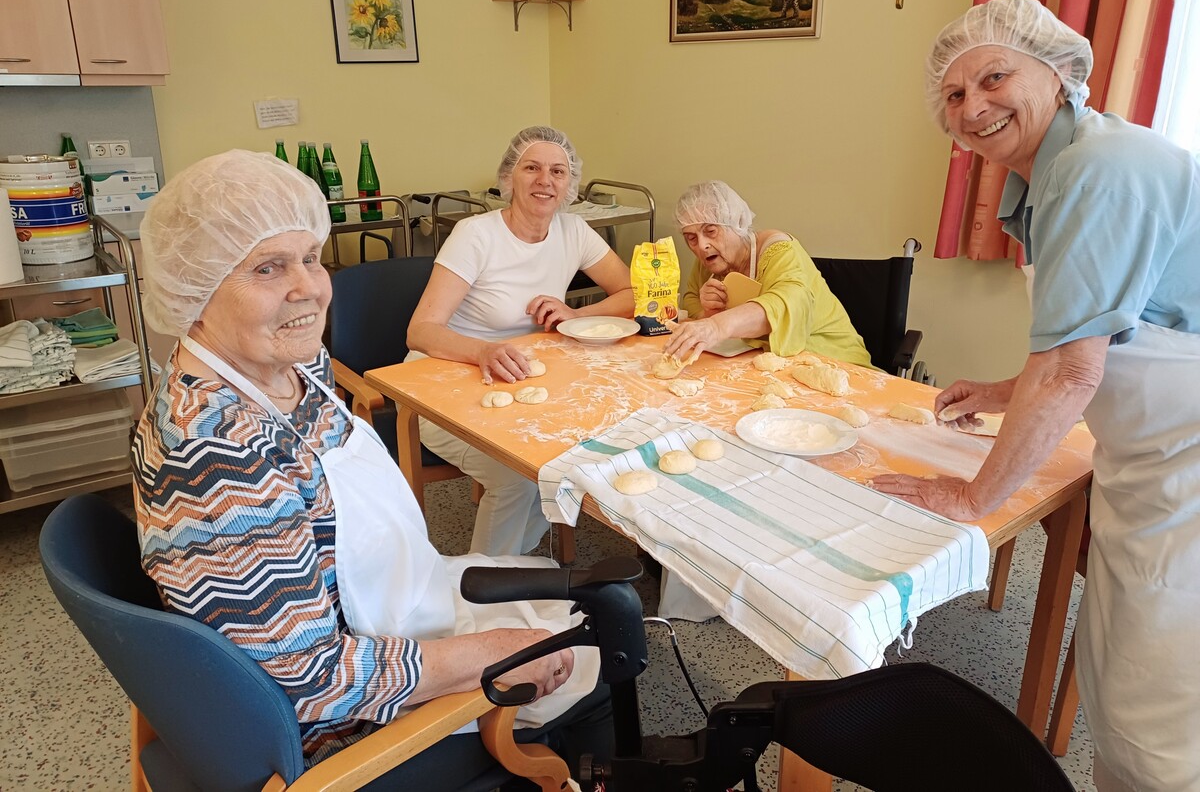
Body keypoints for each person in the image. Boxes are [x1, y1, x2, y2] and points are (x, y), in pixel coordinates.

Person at [133, 149, 612, 788]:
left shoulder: (284, 368)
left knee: (576, 595)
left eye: (309, 257)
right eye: (268, 267)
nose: (309, 287)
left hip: (387, 603)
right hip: (352, 718)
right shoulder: (217, 457)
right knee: (591, 649)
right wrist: (490, 657)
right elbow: (309, 683)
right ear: (195, 288)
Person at [871, 0, 1200, 792]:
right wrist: (1003, 390)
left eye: (993, 77)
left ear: (1056, 73)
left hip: (1185, 456)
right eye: (953, 96)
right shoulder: (1057, 169)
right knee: (1121, 645)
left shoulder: (1096, 170)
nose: (973, 106)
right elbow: (1111, 331)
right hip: (1154, 446)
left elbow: (1074, 371)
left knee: (1160, 686)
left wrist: (975, 495)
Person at [407, 126, 634, 556]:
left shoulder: (573, 232)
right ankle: (478, 595)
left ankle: (513, 568)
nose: (544, 181)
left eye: (558, 171)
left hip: (524, 379)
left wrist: (576, 314)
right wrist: (481, 351)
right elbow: (420, 331)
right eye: (531, 168)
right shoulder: (476, 235)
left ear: (571, 185)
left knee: (571, 452)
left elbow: (632, 294)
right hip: (443, 383)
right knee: (516, 475)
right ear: (509, 176)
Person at [664, 180, 872, 368]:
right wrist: (707, 313)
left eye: (711, 231)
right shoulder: (710, 260)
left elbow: (788, 304)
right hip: (772, 366)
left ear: (736, 223)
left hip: (834, 362)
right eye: (691, 238)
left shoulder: (779, 250)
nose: (701, 245)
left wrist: (717, 326)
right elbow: (691, 299)